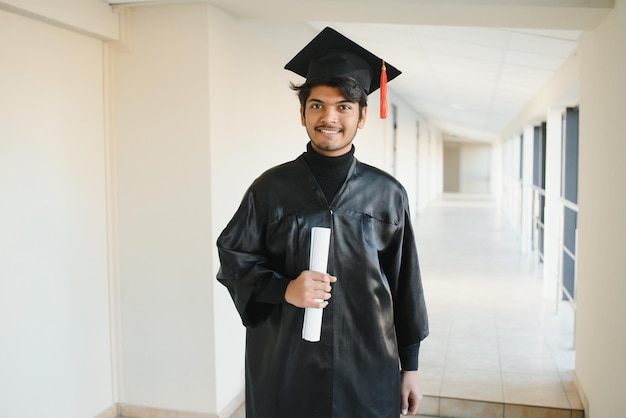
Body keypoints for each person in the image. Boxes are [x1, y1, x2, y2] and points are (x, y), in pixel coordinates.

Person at [216, 26, 429, 418]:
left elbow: (405, 284)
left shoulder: (387, 193)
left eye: (344, 106)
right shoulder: (271, 188)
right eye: (317, 105)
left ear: (362, 116)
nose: (329, 117)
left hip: (366, 361)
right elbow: (234, 259)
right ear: (302, 113)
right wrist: (284, 289)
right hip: (286, 361)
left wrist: (409, 367)